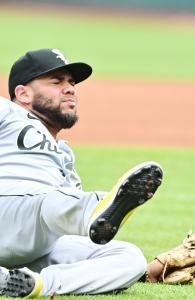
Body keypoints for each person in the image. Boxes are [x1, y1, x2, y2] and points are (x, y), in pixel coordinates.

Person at [0, 48, 166, 297]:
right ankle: (95, 206)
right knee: (51, 201)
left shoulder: (64, 159)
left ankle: (31, 284)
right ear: (23, 93)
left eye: (71, 83)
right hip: (10, 209)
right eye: (57, 81)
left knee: (128, 257)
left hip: (37, 243)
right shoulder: (8, 113)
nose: (70, 89)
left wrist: (147, 271)